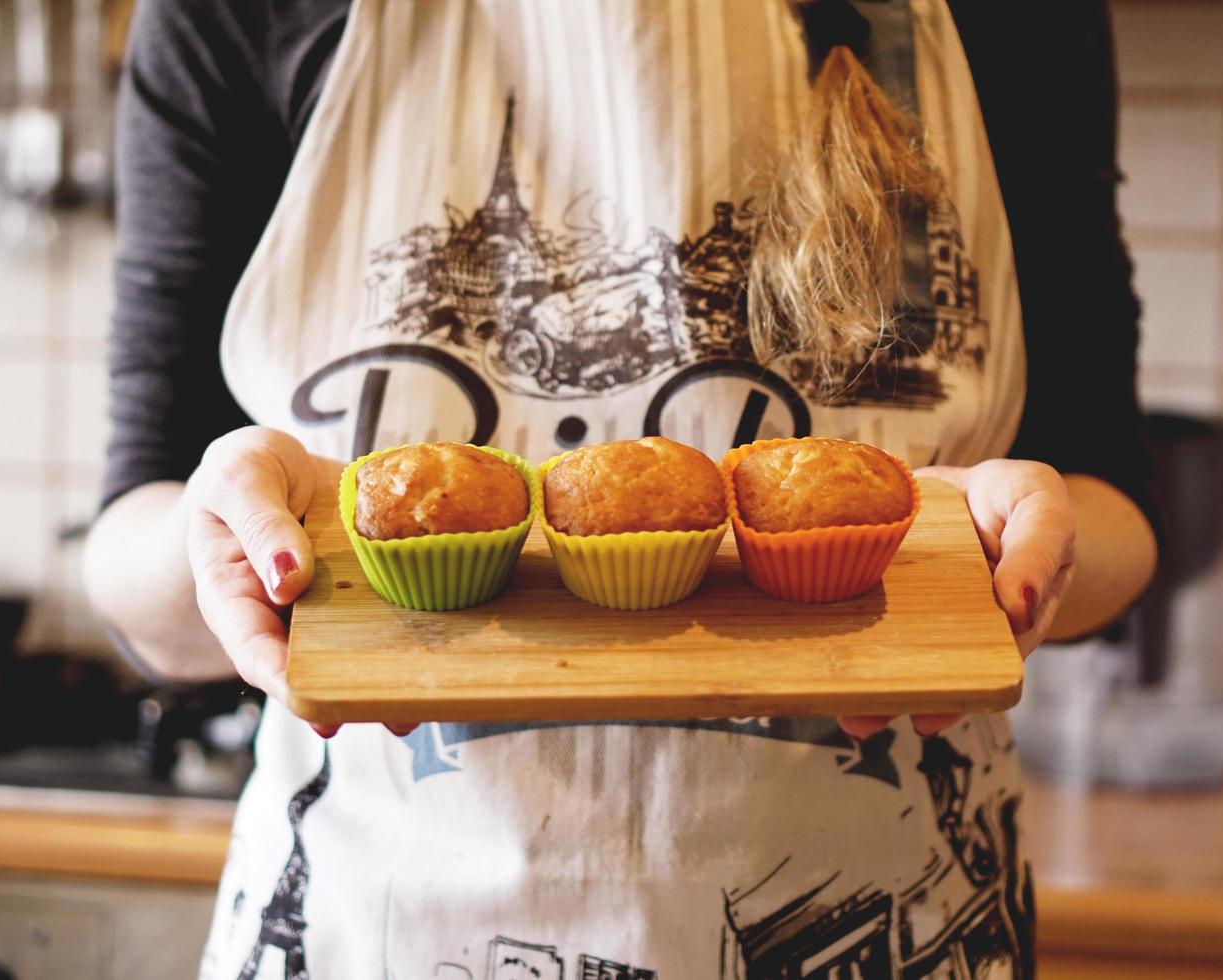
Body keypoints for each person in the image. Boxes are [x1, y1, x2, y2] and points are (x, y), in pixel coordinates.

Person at [84, 0, 1158, 975]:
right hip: (377, 934)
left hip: (889, 926)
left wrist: (1015, 548)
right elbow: (143, 562)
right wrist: (217, 532)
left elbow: (1110, 510)